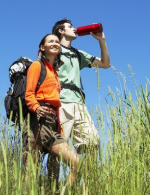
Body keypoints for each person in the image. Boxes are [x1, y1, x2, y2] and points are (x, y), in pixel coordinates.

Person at [47, 18, 110, 182]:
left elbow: (105, 64)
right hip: (60, 103)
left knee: (93, 144)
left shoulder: (77, 54)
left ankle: (69, 188)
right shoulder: (53, 48)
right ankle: (51, 187)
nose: (74, 28)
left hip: (79, 105)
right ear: (60, 31)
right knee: (59, 148)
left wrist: (101, 41)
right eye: (69, 26)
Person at [22, 33, 80, 188]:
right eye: (50, 41)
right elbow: (29, 93)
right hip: (37, 121)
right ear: (43, 47)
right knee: (31, 173)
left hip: (53, 125)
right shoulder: (37, 66)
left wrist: (58, 126)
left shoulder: (55, 73)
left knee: (77, 163)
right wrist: (36, 108)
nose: (55, 43)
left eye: (57, 41)